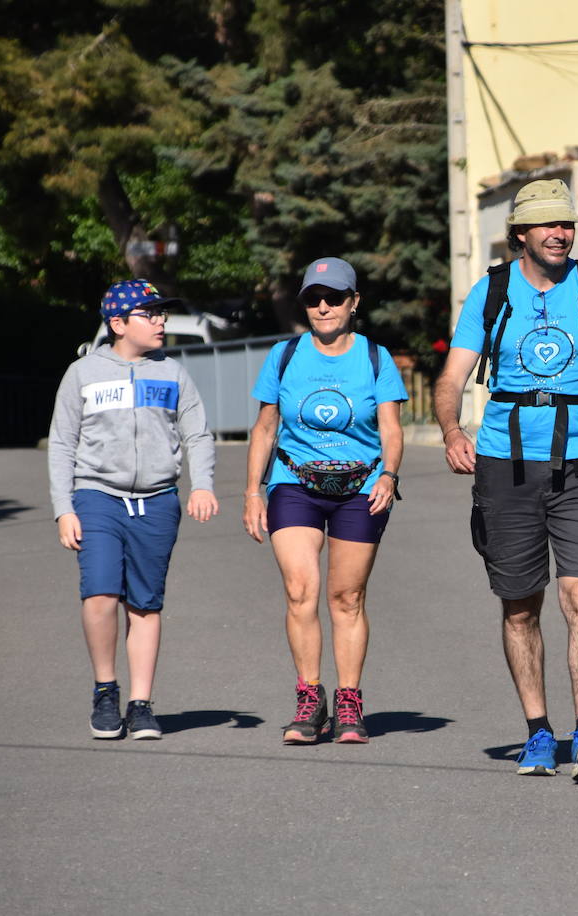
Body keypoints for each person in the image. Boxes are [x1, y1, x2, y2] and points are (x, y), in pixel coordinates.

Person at [433, 179, 578, 780]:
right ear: (521, 234)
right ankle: (536, 730)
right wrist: (453, 430)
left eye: (568, 225)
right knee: (521, 606)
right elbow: (451, 378)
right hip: (506, 464)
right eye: (549, 226)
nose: (561, 234)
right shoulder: (492, 292)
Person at [243, 257, 407, 745]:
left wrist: (390, 476)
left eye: (334, 297)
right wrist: (253, 492)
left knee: (346, 598)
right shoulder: (285, 355)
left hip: (361, 486)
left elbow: (391, 428)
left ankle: (350, 700)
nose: (323, 306)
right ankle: (310, 699)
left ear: (354, 302)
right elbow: (266, 427)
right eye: (314, 298)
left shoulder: (375, 358)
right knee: (300, 589)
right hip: (294, 484)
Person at [48, 279, 219, 741]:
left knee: (144, 604)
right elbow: (62, 443)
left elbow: (198, 434)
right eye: (151, 313)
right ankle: (106, 691)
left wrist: (202, 485)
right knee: (101, 593)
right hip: (97, 497)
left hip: (159, 501)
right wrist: (64, 508)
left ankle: (141, 705)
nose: (161, 321)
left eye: (162, 312)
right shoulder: (82, 373)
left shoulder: (174, 373)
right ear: (118, 323)